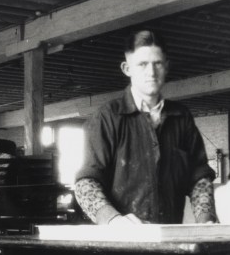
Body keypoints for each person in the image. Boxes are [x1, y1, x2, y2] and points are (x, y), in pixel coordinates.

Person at [73, 29, 216, 225]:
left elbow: (199, 177)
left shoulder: (181, 118)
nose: (151, 72)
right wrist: (113, 220)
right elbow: (85, 183)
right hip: (120, 240)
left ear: (166, 66)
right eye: (142, 64)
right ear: (127, 68)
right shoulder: (107, 118)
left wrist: (205, 219)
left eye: (157, 63)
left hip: (169, 238)